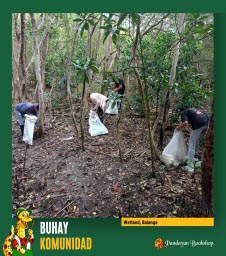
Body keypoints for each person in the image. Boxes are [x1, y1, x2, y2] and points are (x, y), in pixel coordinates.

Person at [175, 106, 209, 172]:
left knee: (191, 143)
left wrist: (177, 128)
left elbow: (185, 122)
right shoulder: (193, 110)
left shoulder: (183, 112)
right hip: (206, 122)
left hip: (199, 124)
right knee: (196, 139)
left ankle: (190, 166)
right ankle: (195, 157)